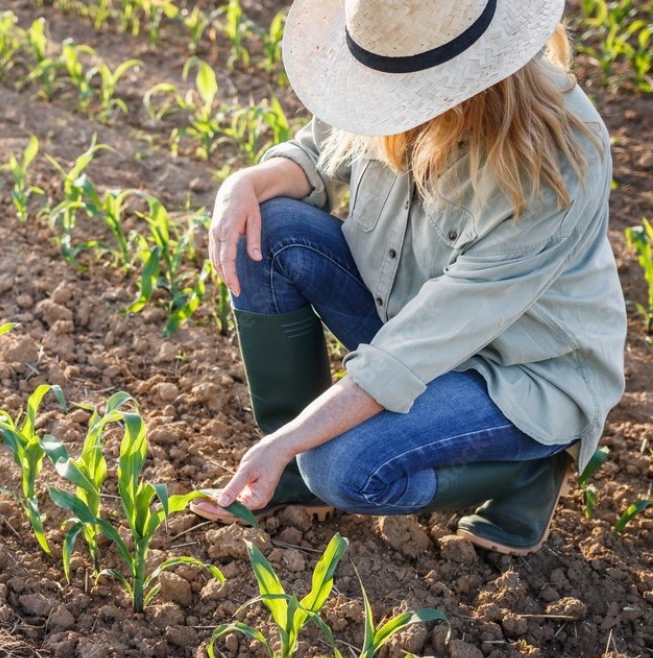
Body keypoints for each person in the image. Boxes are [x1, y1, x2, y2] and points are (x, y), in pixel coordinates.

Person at [189, 0, 627, 556]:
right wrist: (244, 183)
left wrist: (297, 439)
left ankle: (529, 472)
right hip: (402, 311)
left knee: (342, 467)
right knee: (268, 227)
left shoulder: (558, 164)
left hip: (517, 372)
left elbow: (415, 349)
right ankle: (287, 477)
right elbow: (317, 151)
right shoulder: (392, 62)